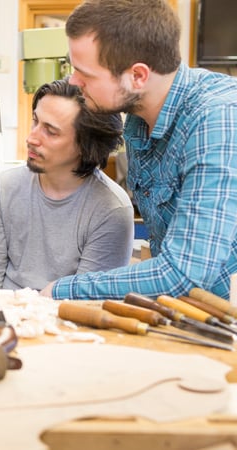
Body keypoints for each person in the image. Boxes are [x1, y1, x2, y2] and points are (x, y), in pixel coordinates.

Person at [41, 0, 237, 300]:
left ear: (138, 76)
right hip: (193, 314)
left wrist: (62, 289)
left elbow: (183, 274)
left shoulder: (217, 119)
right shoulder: (137, 117)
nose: (73, 82)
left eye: (85, 74)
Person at [0, 78, 133, 291]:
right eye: (35, 121)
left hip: (66, 321)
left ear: (86, 146)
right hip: (1, 319)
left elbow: (85, 303)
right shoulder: (4, 188)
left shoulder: (111, 210)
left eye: (51, 131)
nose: (31, 138)